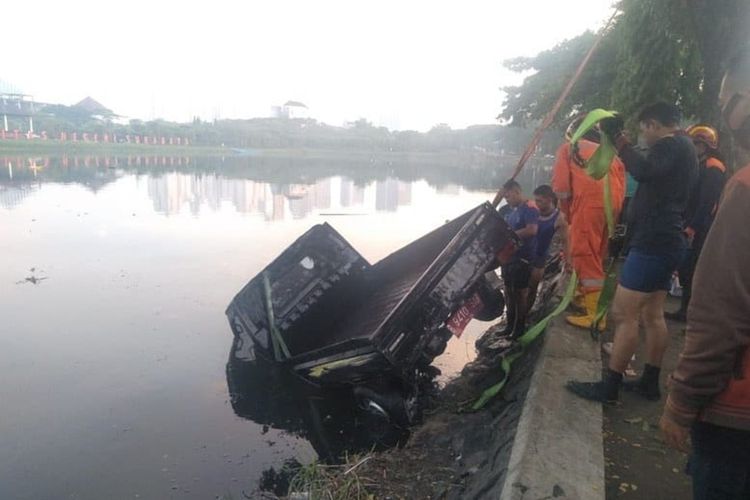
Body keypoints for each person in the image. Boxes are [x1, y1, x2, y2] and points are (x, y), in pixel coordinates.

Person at [660, 48, 750, 500]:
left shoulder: (743, 188)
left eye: (727, 97)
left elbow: (720, 317)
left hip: (737, 414)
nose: (723, 106)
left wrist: (681, 401)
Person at [566, 102, 698, 403]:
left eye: (643, 129)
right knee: (653, 314)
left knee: (624, 314)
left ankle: (609, 387)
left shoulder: (671, 144)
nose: (643, 136)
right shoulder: (686, 148)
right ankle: (649, 382)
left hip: (654, 242)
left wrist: (620, 142)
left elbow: (643, 169)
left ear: (653, 125)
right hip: (667, 239)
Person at [551, 115, 626, 329]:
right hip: (611, 211)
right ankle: (588, 298)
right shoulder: (612, 154)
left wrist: (568, 212)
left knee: (584, 253)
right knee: (597, 255)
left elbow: (561, 187)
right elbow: (621, 187)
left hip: (588, 206)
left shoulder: (569, 149)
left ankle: (596, 316)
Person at [664, 124, 727, 321]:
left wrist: (692, 227)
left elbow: (707, 202)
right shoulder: (701, 164)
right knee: (687, 269)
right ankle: (686, 310)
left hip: (702, 226)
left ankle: (690, 312)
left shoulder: (713, 167)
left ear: (704, 145)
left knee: (693, 270)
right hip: (693, 221)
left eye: (695, 143)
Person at [500, 180, 539, 338]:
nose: (507, 200)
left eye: (508, 196)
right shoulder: (506, 210)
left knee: (520, 294)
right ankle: (509, 326)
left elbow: (532, 230)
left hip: (523, 258)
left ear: (517, 191)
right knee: (508, 292)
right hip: (508, 257)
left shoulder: (530, 208)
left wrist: (511, 236)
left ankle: (519, 328)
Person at [527, 184, 568, 312]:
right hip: (524, 255)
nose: (536, 203)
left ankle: (526, 314)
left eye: (539, 200)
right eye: (535, 200)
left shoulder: (559, 218)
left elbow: (565, 241)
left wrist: (568, 260)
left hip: (540, 258)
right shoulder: (531, 212)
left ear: (550, 199)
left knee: (532, 288)